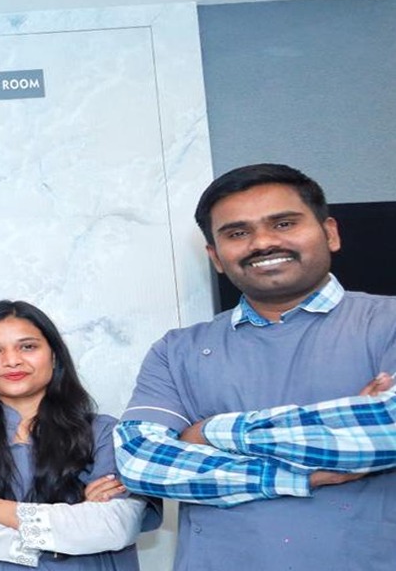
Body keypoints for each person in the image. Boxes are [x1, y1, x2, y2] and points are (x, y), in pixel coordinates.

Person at [115, 163, 396, 570]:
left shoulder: (387, 321)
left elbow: (387, 428)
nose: (262, 243)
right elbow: (141, 461)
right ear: (214, 256)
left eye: (283, 223)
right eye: (237, 233)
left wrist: (210, 432)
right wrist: (303, 470)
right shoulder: (177, 350)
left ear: (330, 232)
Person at [0, 300, 160, 569]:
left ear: (54, 355)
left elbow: (116, 526)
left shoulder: (105, 432)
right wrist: (74, 523)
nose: (12, 361)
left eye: (28, 346)